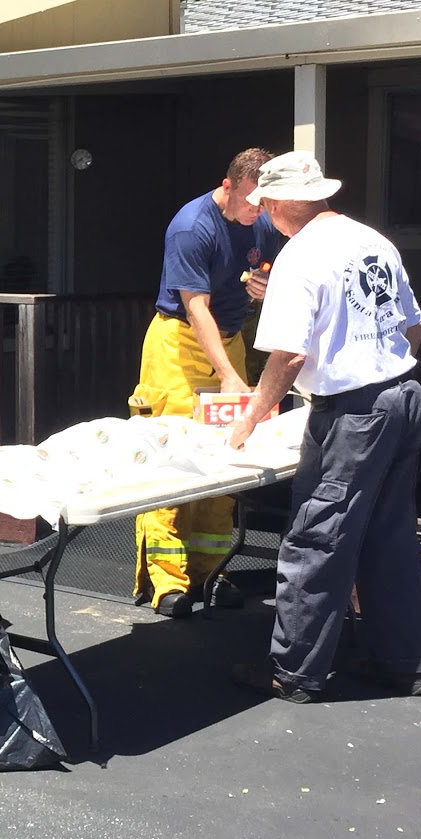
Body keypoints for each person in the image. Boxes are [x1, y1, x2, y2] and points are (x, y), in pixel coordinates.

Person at [228, 152, 421, 702]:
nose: (264, 212)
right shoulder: (371, 241)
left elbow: (289, 355)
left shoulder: (299, 256)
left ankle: (294, 672)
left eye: (266, 203)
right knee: (389, 537)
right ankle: (402, 664)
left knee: (318, 536)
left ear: (281, 201)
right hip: (403, 395)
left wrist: (249, 418)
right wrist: (380, 366)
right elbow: (415, 326)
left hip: (354, 412)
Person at [130, 146, 279, 618]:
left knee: (225, 456)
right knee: (170, 456)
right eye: (251, 200)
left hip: (228, 339)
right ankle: (167, 581)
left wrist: (263, 284)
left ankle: (212, 570)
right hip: (177, 344)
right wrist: (231, 376)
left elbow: (267, 269)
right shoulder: (192, 227)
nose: (258, 210)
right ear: (227, 184)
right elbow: (195, 309)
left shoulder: (262, 220)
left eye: (264, 202)